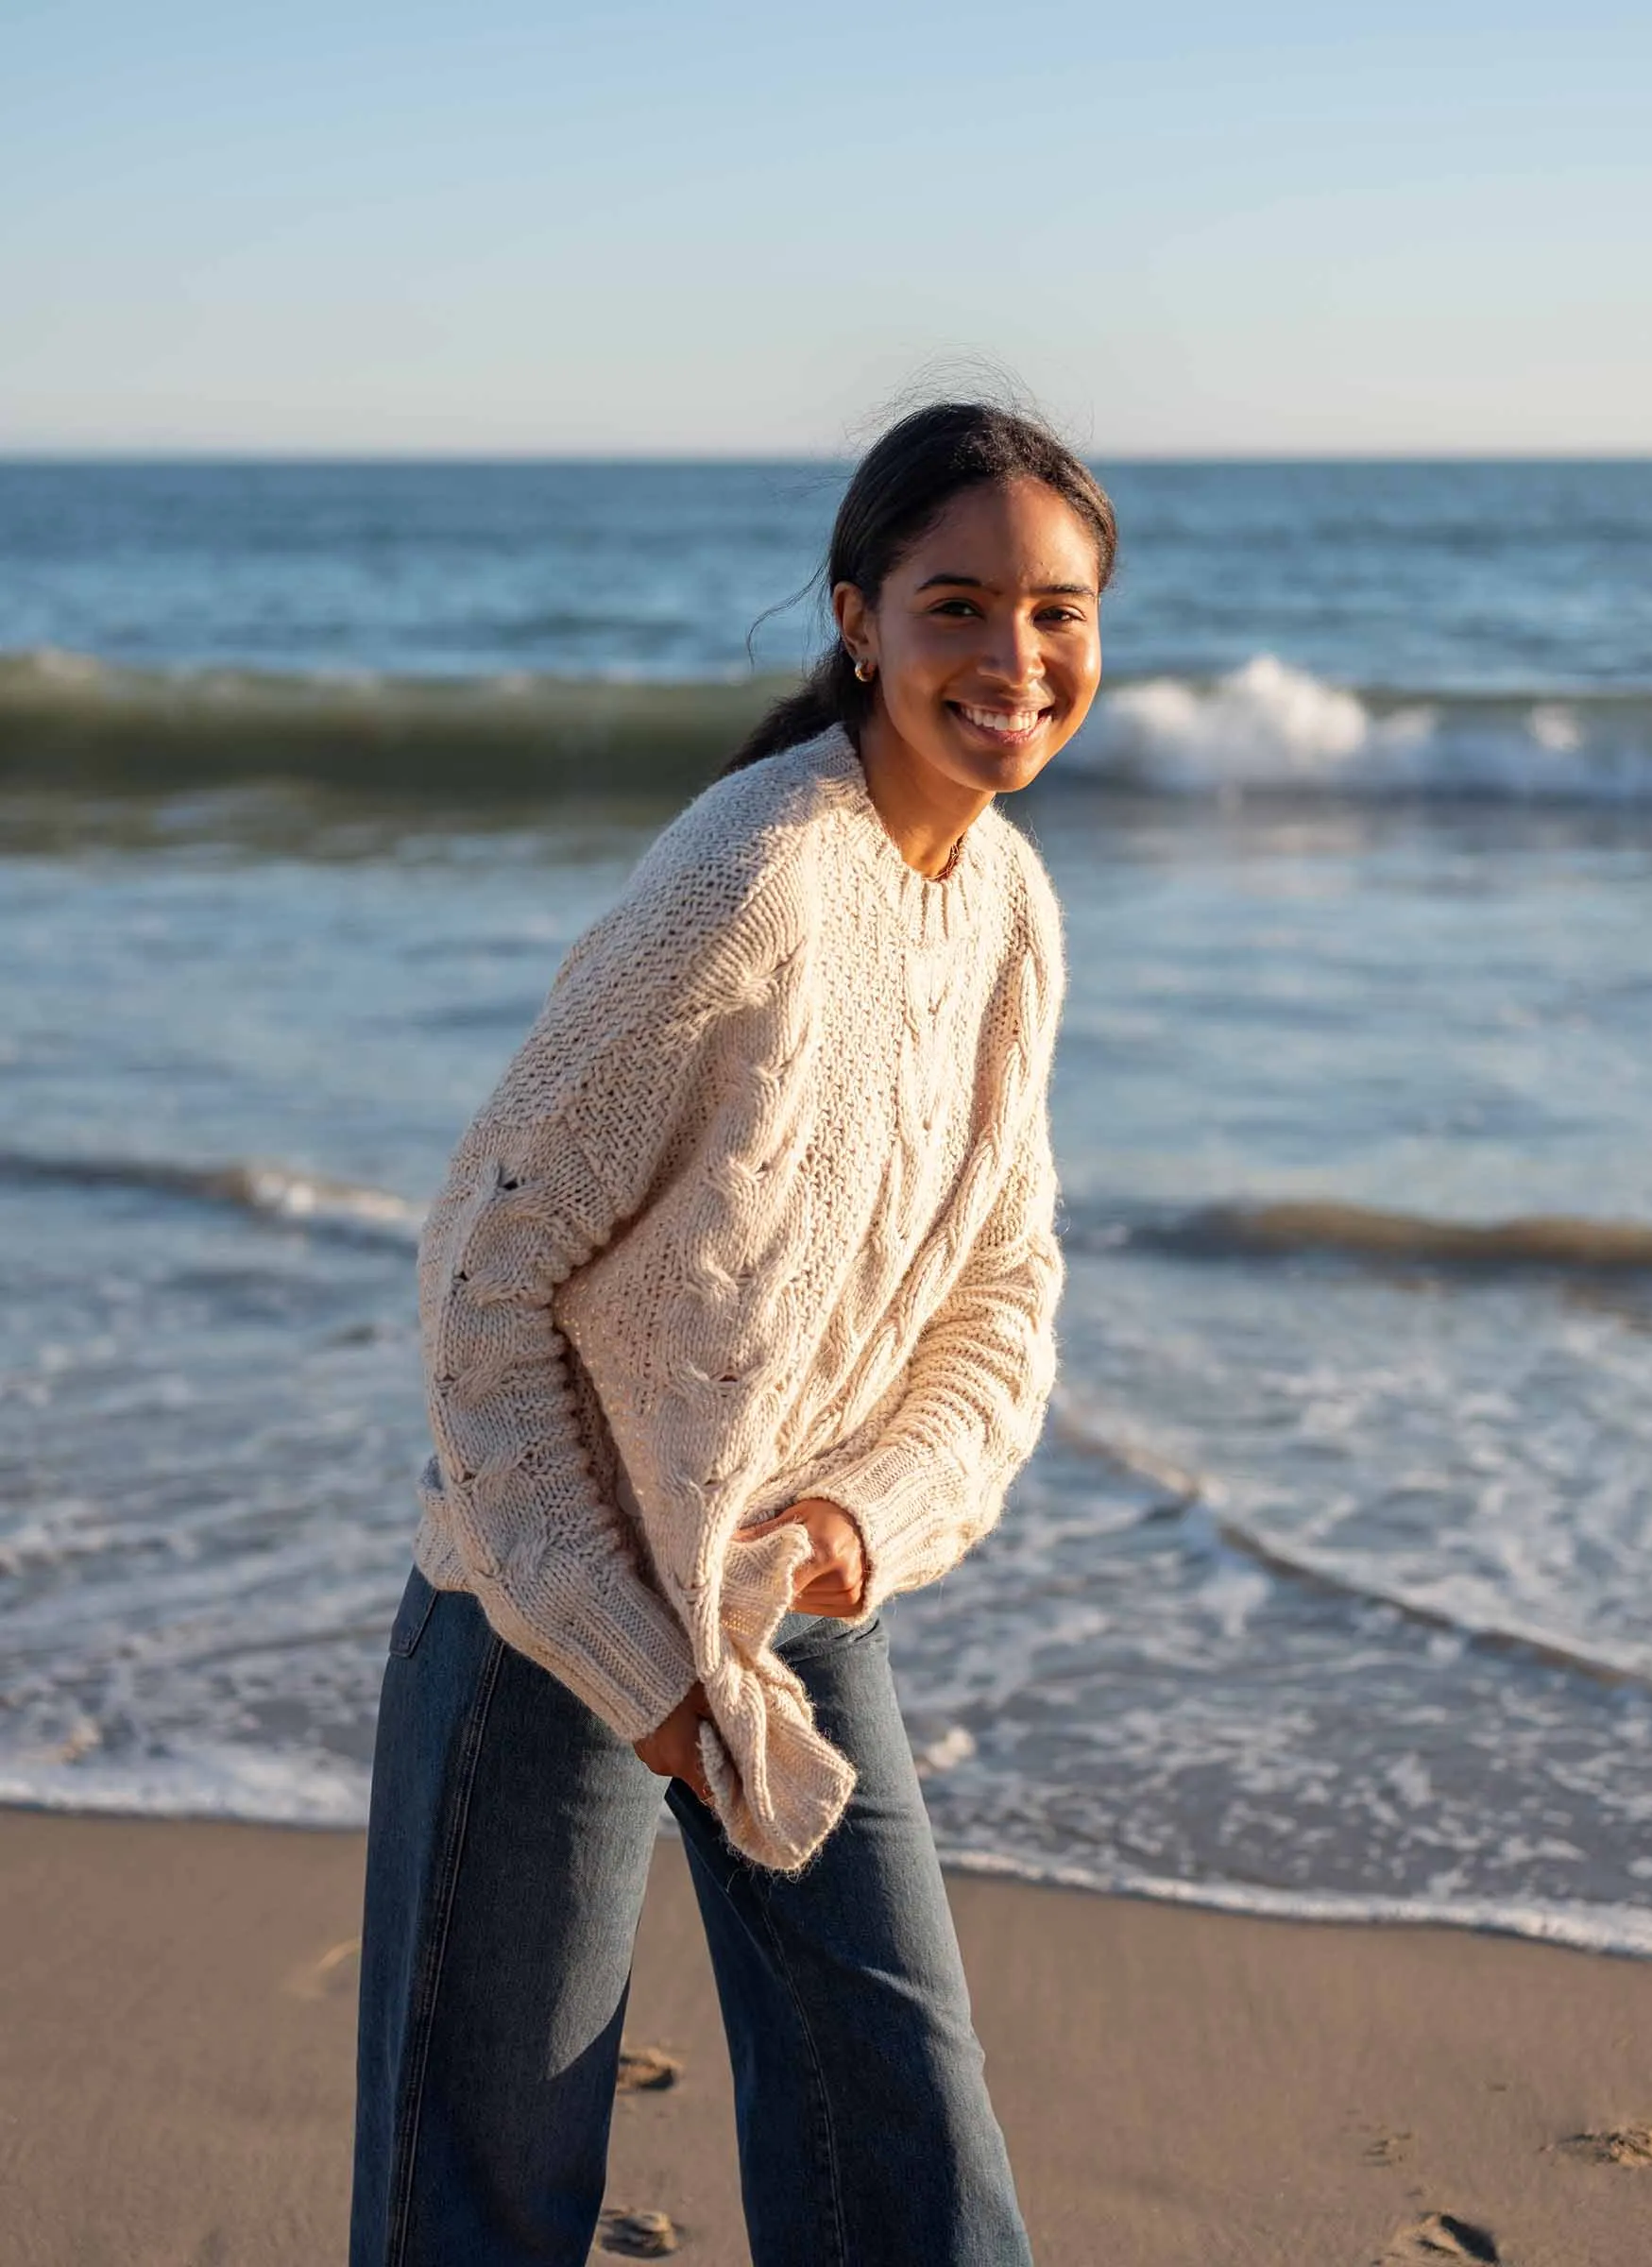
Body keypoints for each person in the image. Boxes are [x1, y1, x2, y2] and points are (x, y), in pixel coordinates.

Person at [349, 400, 1117, 2267]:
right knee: (492, 2196)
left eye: (1058, 613)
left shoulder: (1008, 906)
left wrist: (861, 1526)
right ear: (860, 618)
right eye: (959, 607)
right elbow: (481, 1282)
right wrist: (642, 1662)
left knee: (910, 2132)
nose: (1014, 661)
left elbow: (1003, 1289)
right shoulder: (754, 878)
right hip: (553, 1617)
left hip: (792, 1588)